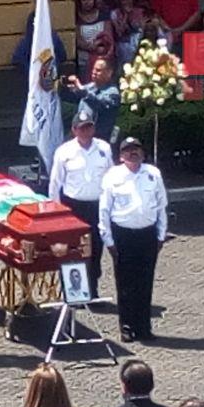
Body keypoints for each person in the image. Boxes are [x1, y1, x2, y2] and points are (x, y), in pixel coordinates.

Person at [98, 137, 168, 342]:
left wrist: (161, 235)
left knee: (145, 282)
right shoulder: (113, 176)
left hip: (147, 234)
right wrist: (108, 240)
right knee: (126, 284)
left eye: (136, 149)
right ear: (121, 156)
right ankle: (127, 327)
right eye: (127, 150)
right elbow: (104, 210)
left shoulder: (153, 174)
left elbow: (161, 206)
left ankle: (144, 327)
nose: (132, 153)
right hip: (123, 235)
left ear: (142, 153)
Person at [50, 110, 113, 297]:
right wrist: (56, 212)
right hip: (73, 207)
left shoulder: (104, 148)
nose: (86, 131)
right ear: (74, 130)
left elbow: (111, 178)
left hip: (97, 206)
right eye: (82, 128)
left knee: (95, 249)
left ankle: (92, 290)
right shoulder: (64, 151)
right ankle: (73, 292)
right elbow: (55, 183)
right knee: (73, 251)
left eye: (89, 127)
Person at [61, 58, 120, 143]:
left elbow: (99, 103)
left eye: (98, 70)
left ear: (109, 73)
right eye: (93, 69)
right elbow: (75, 95)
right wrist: (68, 87)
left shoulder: (113, 93)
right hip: (79, 134)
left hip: (98, 139)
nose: (94, 72)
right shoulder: (90, 87)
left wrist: (82, 91)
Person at [73, 0, 114, 81]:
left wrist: (98, 44)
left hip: (102, 56)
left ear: (94, 0)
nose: (87, 2)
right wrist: (89, 47)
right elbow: (77, 39)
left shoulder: (103, 15)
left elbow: (108, 35)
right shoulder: (76, 17)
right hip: (84, 59)